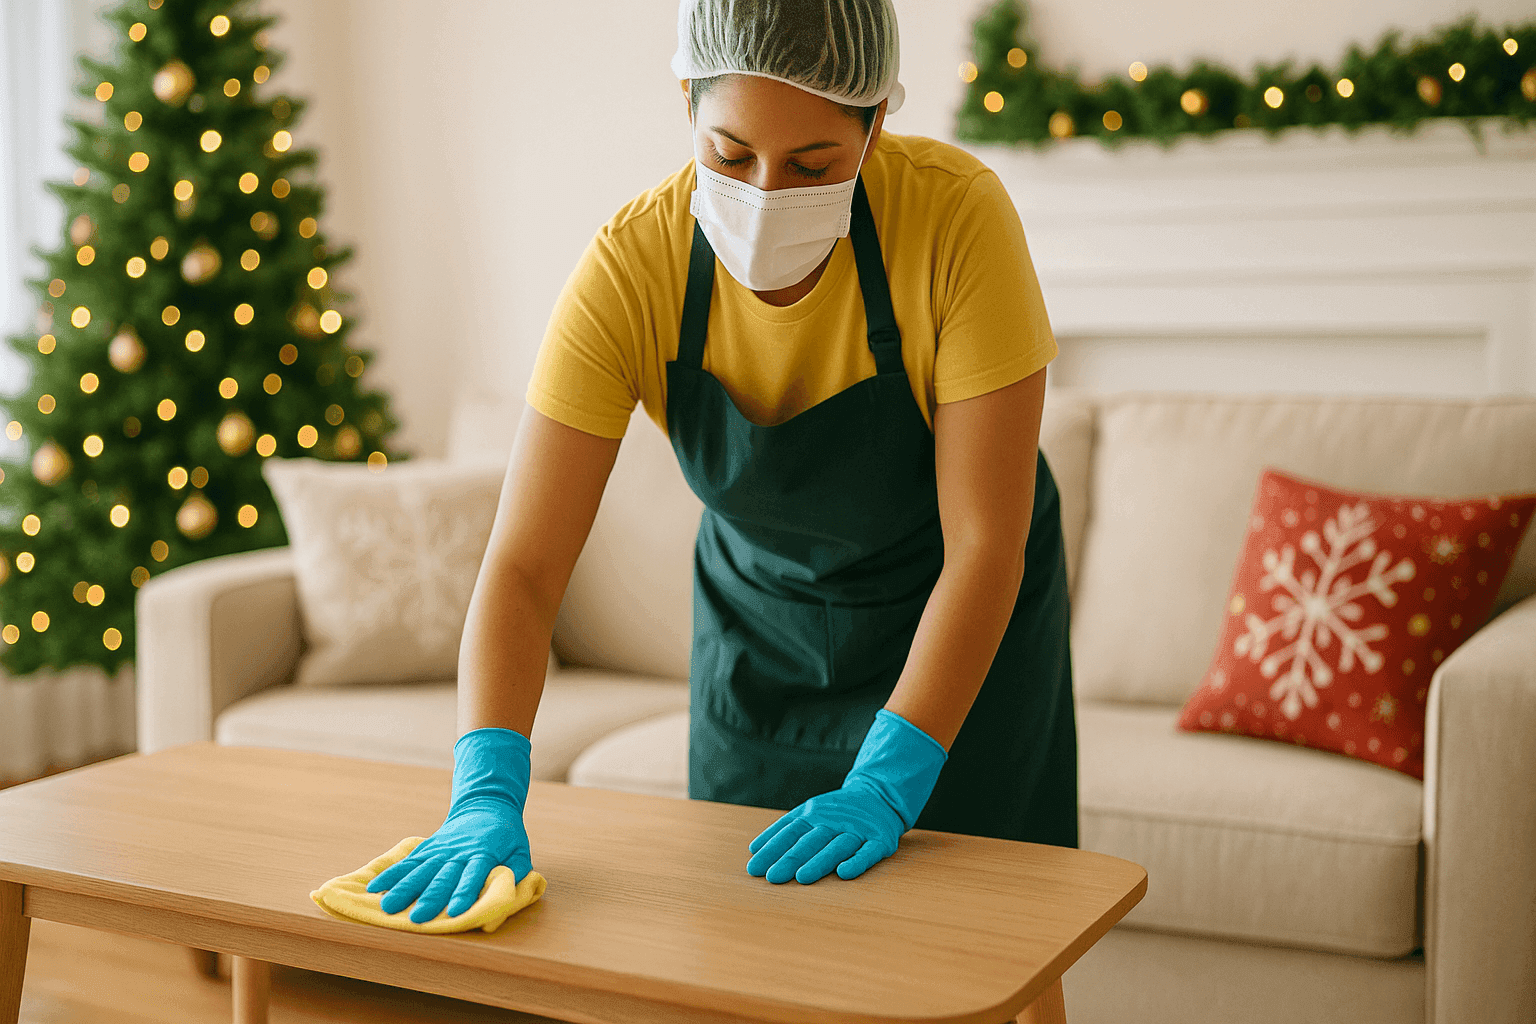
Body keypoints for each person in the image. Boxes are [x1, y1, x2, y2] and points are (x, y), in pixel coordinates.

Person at [366, 0, 1077, 923]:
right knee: (747, 953)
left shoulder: (955, 221)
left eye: (815, 165)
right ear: (687, 107)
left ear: (876, 125)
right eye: (731, 156)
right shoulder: (633, 269)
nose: (767, 195)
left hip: (961, 648)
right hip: (761, 650)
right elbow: (525, 565)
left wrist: (891, 778)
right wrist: (485, 790)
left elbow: (985, 545)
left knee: (980, 951)